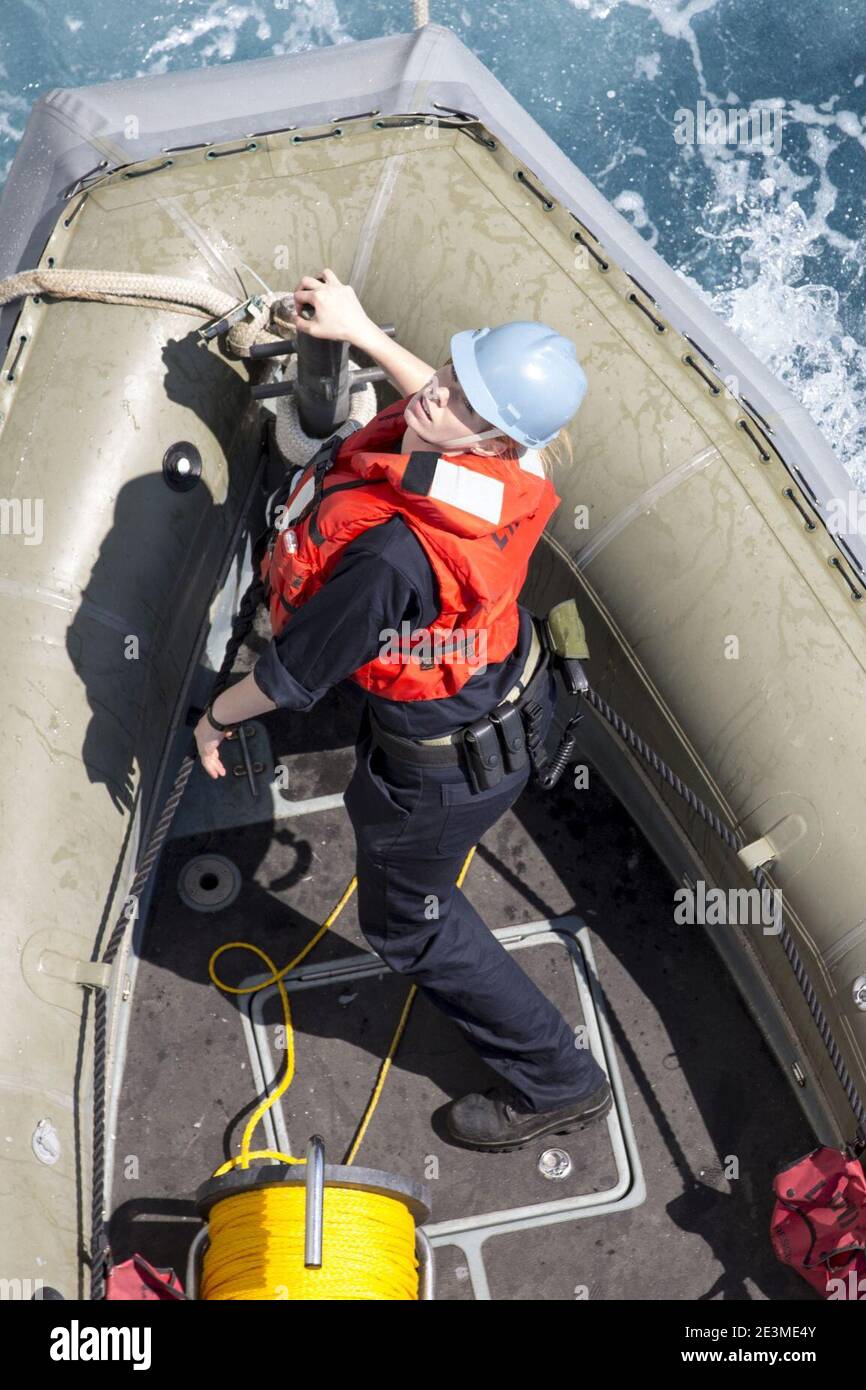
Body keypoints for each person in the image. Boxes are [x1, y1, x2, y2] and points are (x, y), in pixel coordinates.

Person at [194, 269, 612, 1151]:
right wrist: (363, 330)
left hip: (441, 769)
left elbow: (290, 679)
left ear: (494, 434)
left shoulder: (392, 559)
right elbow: (443, 404)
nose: (434, 396)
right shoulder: (511, 462)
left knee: (407, 925)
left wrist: (215, 720)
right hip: (495, 695)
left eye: (462, 397)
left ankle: (561, 1082)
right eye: (452, 374)